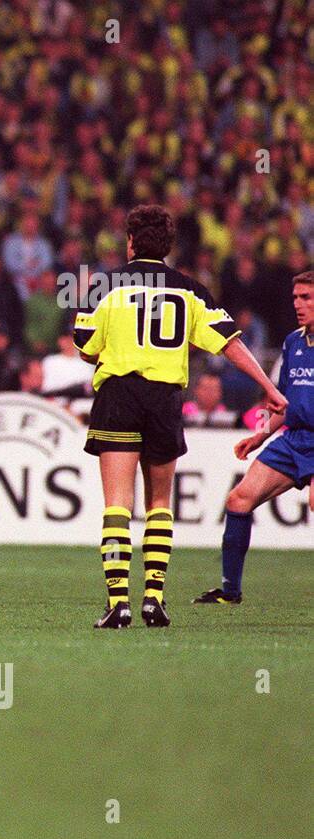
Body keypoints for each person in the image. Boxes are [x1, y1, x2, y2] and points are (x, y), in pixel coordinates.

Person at [74, 205, 285, 629]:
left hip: (120, 395)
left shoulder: (107, 285)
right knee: (158, 503)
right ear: (168, 247)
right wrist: (269, 387)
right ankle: (153, 599)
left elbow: (85, 346)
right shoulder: (190, 289)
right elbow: (229, 343)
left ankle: (119, 604)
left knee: (117, 503)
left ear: (130, 242)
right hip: (166, 399)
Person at [195, 270, 314, 605]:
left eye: (306, 297)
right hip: (295, 439)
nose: (298, 305)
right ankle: (230, 591)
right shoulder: (293, 342)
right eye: (295, 298)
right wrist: (260, 436)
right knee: (238, 500)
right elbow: (284, 401)